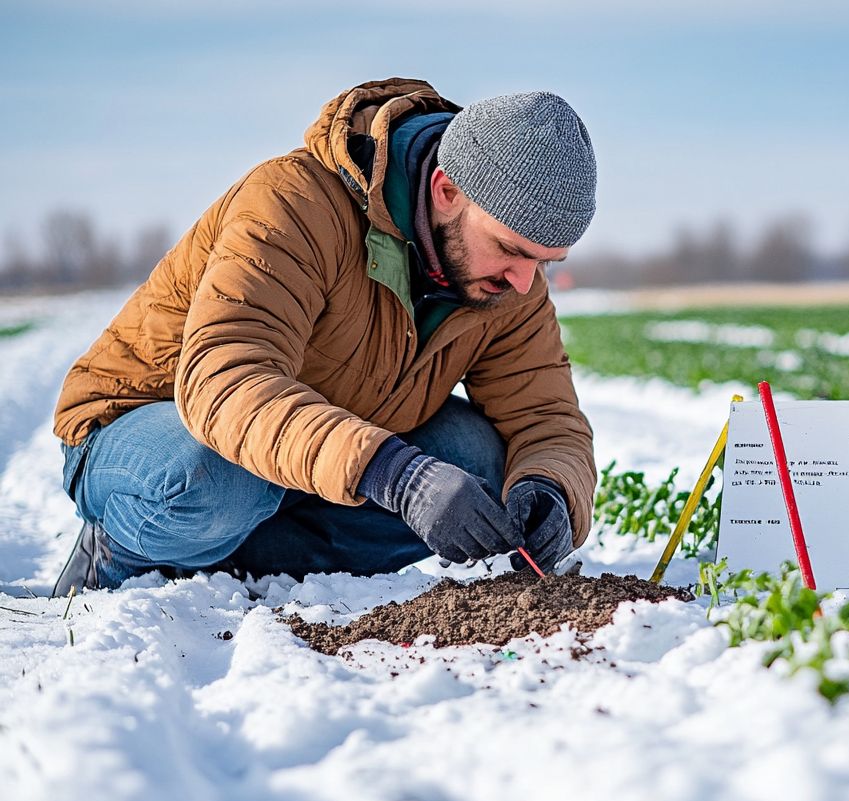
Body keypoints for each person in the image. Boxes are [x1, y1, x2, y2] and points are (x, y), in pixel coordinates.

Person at [51, 78, 598, 594]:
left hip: (308, 452)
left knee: (480, 465)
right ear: (446, 190)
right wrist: (395, 474)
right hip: (151, 433)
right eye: (511, 249)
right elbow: (226, 381)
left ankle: (228, 560)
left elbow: (543, 417)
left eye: (546, 262)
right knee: (210, 480)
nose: (525, 281)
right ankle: (121, 550)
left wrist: (549, 489)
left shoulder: (508, 284)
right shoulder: (294, 203)